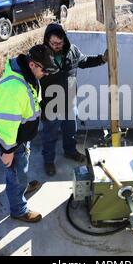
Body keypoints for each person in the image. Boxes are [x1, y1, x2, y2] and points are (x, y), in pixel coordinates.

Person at [0, 44, 59, 223]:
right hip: (12, 143)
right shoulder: (13, 89)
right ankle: (19, 210)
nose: (46, 74)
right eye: (44, 70)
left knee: (21, 170)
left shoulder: (26, 76)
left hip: (21, 138)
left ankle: (24, 185)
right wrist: (7, 151)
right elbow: (5, 124)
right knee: (14, 174)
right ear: (32, 65)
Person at [40, 23, 108, 176]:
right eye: (53, 43)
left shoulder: (72, 51)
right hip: (49, 105)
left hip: (70, 103)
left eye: (60, 42)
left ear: (64, 40)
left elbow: (84, 61)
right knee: (49, 135)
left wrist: (102, 59)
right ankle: (48, 161)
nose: (57, 46)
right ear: (47, 40)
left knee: (70, 131)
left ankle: (70, 151)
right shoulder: (40, 55)